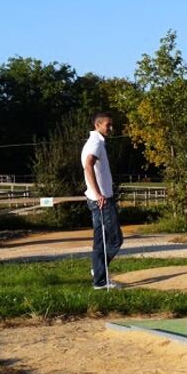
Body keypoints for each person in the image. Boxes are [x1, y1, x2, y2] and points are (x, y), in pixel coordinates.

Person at [81, 112, 123, 290]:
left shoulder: (96, 141)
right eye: (108, 125)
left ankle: (98, 275)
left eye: (111, 125)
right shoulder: (96, 142)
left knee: (100, 240)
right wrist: (99, 194)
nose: (111, 128)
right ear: (98, 125)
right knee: (115, 239)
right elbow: (88, 164)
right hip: (102, 200)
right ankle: (99, 274)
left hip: (97, 199)